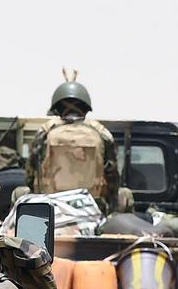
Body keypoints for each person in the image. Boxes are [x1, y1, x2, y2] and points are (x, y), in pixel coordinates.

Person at [26, 78, 122, 213]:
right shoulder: (101, 133)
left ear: (57, 109)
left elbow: (30, 175)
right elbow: (113, 176)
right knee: (125, 195)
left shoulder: (44, 132)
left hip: (50, 206)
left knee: (19, 193)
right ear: (85, 108)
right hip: (92, 206)